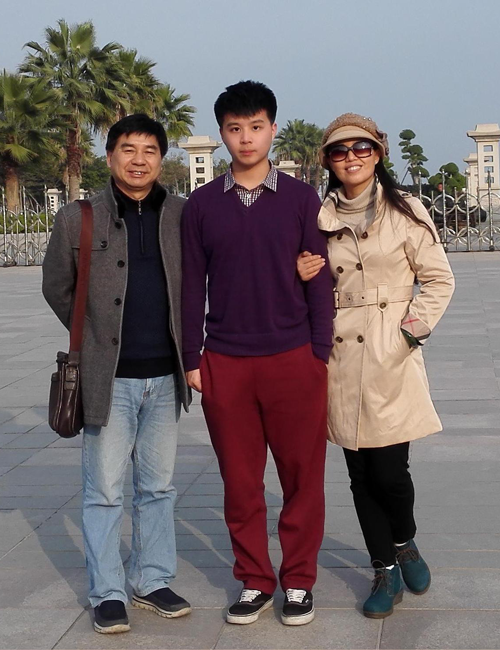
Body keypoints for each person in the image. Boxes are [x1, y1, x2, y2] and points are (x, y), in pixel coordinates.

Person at [181, 81, 333, 626]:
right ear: (222, 134)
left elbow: (320, 277)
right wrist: (192, 357)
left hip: (293, 357)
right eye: (234, 128)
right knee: (241, 481)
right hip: (225, 362)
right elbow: (190, 285)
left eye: (256, 126)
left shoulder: (300, 198)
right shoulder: (202, 205)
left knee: (301, 477)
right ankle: (253, 579)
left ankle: (299, 580)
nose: (246, 138)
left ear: (273, 128)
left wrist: (319, 353)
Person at [297, 113, 455, 619]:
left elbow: (439, 279)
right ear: (327, 161)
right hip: (342, 355)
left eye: (361, 148)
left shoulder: (405, 209)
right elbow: (308, 285)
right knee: (359, 473)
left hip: (391, 352)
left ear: (378, 153)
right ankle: (383, 568)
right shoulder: (318, 218)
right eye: (339, 151)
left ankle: (405, 540)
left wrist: (408, 333)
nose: (351, 158)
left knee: (391, 471)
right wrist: (302, 272)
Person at [42, 114, 191, 634]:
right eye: (128, 149)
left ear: (162, 159)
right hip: (108, 379)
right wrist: (93, 334)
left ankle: (151, 579)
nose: (138, 160)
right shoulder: (79, 217)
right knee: (104, 489)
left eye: (150, 150)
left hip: (166, 377)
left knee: (158, 487)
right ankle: (107, 591)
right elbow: (57, 286)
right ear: (110, 157)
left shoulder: (181, 215)